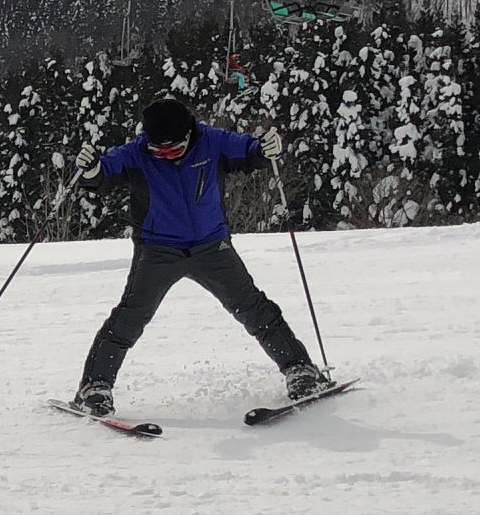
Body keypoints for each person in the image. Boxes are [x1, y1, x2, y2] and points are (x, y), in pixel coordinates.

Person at [70, 98, 332, 416]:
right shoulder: (136, 153)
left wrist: (265, 149)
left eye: (173, 148)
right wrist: (91, 170)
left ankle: (300, 370)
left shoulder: (212, 142)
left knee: (253, 308)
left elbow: (249, 151)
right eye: (158, 150)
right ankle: (94, 388)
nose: (166, 155)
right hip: (158, 249)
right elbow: (104, 173)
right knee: (130, 317)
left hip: (211, 246)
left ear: (189, 134)